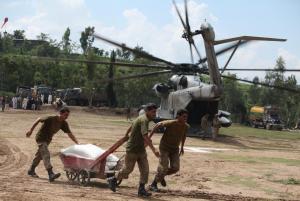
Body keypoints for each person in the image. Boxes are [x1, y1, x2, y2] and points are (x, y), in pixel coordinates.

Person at [108, 103, 160, 197]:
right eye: (153, 112)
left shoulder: (142, 118)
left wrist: (126, 134)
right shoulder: (144, 120)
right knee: (128, 170)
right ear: (147, 111)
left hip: (141, 150)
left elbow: (131, 126)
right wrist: (154, 149)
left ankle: (141, 190)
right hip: (132, 150)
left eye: (155, 112)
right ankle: (113, 179)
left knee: (145, 170)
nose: (155, 114)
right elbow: (145, 136)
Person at [26, 107, 79, 182]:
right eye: (65, 115)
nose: (67, 117)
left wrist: (77, 143)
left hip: (47, 140)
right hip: (40, 138)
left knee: (40, 155)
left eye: (68, 115)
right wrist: (31, 130)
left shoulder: (63, 123)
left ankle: (31, 170)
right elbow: (38, 119)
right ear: (61, 113)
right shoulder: (51, 118)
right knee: (46, 154)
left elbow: (69, 134)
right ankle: (50, 173)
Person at [148, 109, 189, 192]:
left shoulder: (186, 126)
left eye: (186, 117)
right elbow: (157, 125)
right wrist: (149, 138)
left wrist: (182, 147)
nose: (185, 119)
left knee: (175, 168)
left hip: (174, 149)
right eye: (184, 117)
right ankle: (153, 184)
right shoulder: (171, 123)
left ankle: (161, 176)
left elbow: (183, 136)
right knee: (164, 166)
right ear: (178, 116)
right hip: (164, 148)